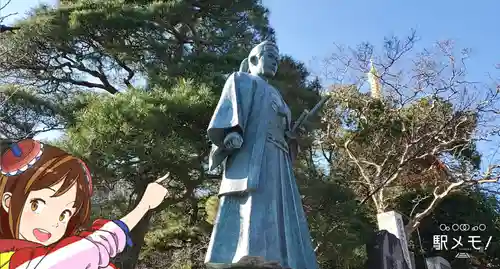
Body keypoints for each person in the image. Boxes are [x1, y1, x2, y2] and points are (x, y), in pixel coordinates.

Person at [205, 41, 318, 269]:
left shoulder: (278, 96)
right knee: (252, 203)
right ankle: (249, 256)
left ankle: (284, 260)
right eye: (270, 56)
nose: (275, 61)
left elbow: (283, 129)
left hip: (279, 157)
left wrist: (294, 134)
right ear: (255, 59)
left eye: (277, 58)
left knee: (280, 209)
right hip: (254, 154)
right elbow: (231, 108)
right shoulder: (241, 80)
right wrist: (233, 132)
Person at [0, 139, 169, 269]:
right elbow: (85, 251)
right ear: (8, 201)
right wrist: (143, 207)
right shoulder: (13, 259)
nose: (52, 223)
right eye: (37, 205)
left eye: (64, 215)